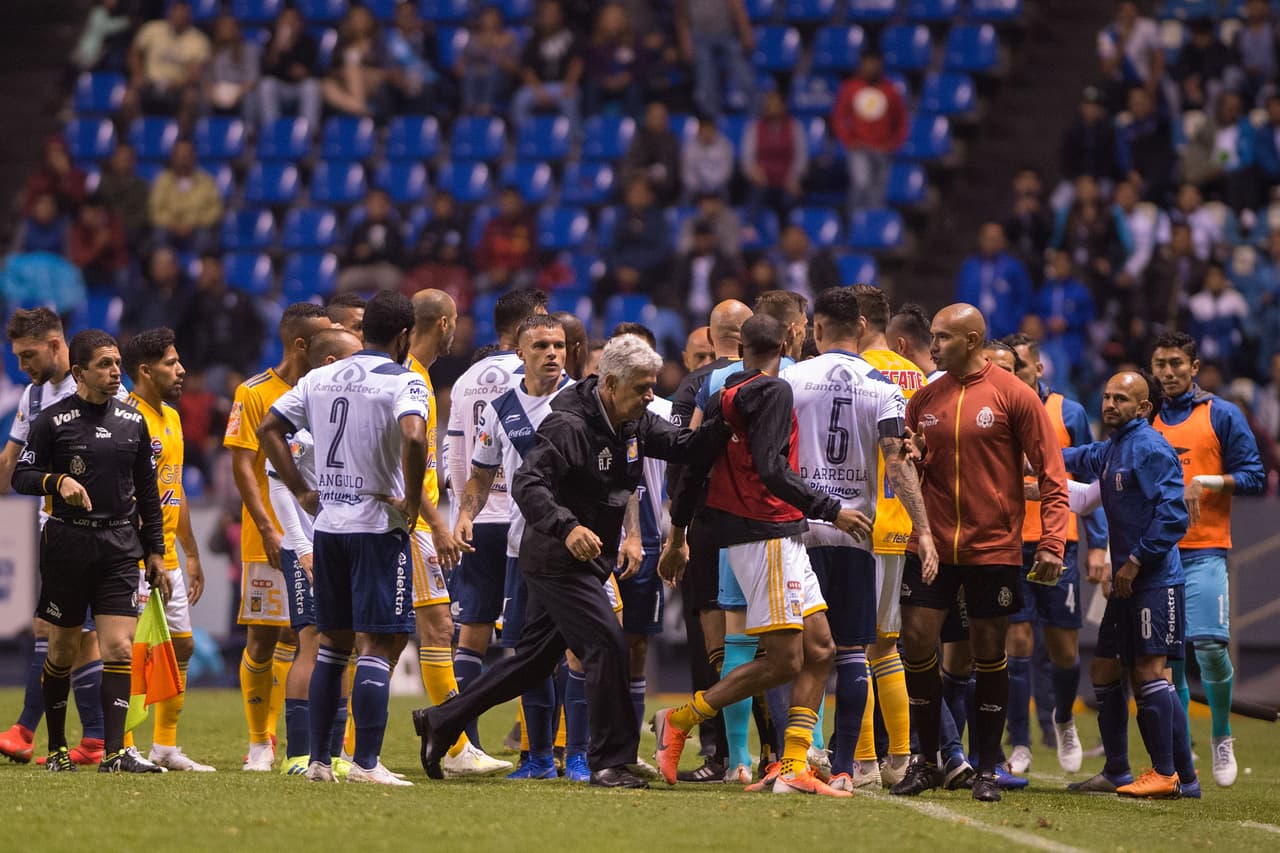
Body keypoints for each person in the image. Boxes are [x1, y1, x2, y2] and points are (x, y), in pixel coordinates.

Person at [416, 334, 728, 789]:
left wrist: (731, 411)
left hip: (588, 557)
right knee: (606, 645)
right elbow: (527, 483)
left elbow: (686, 446)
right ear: (610, 382)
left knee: (533, 662)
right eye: (642, 387)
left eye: (651, 387)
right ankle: (608, 761)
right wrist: (568, 526)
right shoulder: (568, 425)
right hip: (556, 556)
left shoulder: (632, 419)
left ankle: (441, 720)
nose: (649, 397)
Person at [654, 314, 874, 796]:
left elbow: (692, 468)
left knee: (821, 650)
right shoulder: (774, 392)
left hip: (772, 537)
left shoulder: (722, 394)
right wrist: (831, 510)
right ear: (790, 339)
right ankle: (679, 719)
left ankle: (793, 764)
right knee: (783, 662)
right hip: (768, 536)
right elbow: (773, 470)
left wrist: (677, 535)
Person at [261, 291, 445, 786]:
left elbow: (269, 428)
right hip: (376, 526)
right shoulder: (405, 380)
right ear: (405, 335)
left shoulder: (320, 376)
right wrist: (409, 500)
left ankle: (320, 761)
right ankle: (365, 763)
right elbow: (412, 436)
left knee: (331, 647)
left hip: (329, 528)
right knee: (380, 643)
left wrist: (302, 489)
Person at [891, 304, 1069, 802]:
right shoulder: (924, 399)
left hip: (993, 547)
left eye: (943, 338)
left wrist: (1052, 541)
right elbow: (914, 465)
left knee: (990, 653)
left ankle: (987, 768)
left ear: (971, 340)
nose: (933, 347)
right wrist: (913, 461)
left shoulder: (1014, 395)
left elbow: (1052, 474)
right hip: (932, 546)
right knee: (916, 642)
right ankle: (928, 761)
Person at [781, 287, 934, 792]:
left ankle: (793, 761)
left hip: (798, 531)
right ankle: (849, 769)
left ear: (818, 330)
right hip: (857, 534)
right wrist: (925, 530)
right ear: (863, 327)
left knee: (796, 653)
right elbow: (897, 461)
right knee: (852, 652)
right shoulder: (884, 386)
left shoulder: (790, 377)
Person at [12, 329, 169, 773]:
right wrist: (56, 481)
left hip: (120, 544)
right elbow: (22, 477)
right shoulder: (51, 422)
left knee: (119, 648)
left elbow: (148, 492)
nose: (115, 371)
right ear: (79, 372)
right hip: (68, 543)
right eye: (104, 364)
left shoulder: (133, 422)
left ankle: (115, 752)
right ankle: (59, 747)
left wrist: (154, 552)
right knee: (61, 651)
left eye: (117, 362)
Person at [1061, 371, 1195, 799]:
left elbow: (1174, 516)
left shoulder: (1150, 447)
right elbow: (1077, 458)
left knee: (1149, 673)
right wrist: (1033, 458)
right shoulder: (1114, 446)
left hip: (1153, 579)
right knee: (1104, 668)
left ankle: (1171, 775)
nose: (1109, 404)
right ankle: (1118, 770)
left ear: (1144, 409)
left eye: (1121, 398)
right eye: (1106, 396)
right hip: (1126, 582)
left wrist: (1135, 561)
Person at [453, 315, 576, 780]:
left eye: (559, 345)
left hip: (578, 547)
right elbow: (482, 474)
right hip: (523, 548)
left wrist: (625, 532)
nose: (552, 354)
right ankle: (540, 758)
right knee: (528, 655)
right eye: (542, 345)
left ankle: (581, 756)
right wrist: (466, 512)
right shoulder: (500, 409)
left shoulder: (585, 399)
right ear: (519, 353)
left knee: (585, 652)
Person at [1150, 332, 1264, 787]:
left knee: (1211, 649)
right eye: (1160, 364)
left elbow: (1256, 476)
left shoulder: (1222, 414)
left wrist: (1208, 482)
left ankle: (1221, 735)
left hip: (1206, 550)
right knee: (1170, 662)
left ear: (1194, 367)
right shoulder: (1146, 418)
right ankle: (1184, 752)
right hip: (1158, 555)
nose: (1169, 372)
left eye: (1177, 363)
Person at [223, 302, 333, 772]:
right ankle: (259, 742)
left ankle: (298, 741)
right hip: (266, 533)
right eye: (324, 338)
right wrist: (267, 526)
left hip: (318, 531)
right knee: (263, 637)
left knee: (302, 632)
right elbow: (243, 465)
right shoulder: (253, 393)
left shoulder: (328, 391)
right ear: (301, 344)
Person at [406, 290, 510, 777]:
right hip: (414, 521)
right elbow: (402, 464)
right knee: (436, 629)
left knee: (439, 628)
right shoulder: (408, 377)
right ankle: (453, 746)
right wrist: (438, 521)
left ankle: (453, 744)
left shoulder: (419, 375)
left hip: (415, 518)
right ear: (445, 323)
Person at [443, 289, 548, 753]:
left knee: (473, 631)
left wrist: (462, 512)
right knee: (536, 635)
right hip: (525, 519)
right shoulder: (535, 377)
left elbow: (454, 452)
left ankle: (467, 743)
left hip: (477, 516)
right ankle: (540, 743)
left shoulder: (466, 378)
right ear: (529, 326)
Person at [0, 310, 106, 767]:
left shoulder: (96, 386)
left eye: (29, 355)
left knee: (58, 631)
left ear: (56, 343)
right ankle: (96, 740)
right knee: (75, 637)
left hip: (93, 531)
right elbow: (11, 460)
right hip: (55, 531)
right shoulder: (35, 394)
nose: (23, 366)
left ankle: (25, 729)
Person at [1001, 332, 1109, 776]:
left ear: (1038, 369)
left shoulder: (1069, 411)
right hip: (1007, 542)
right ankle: (1021, 741)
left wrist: (1098, 542)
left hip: (1057, 540)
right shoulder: (995, 409)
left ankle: (1064, 720)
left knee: (1064, 649)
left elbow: (1091, 474)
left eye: (1020, 369)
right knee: (1018, 642)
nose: (1014, 378)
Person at [266, 327, 362, 777]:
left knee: (341, 645)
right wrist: (301, 546)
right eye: (354, 356)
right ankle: (299, 752)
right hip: (307, 547)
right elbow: (278, 483)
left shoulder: (345, 410)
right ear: (329, 363)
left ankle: (334, 753)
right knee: (311, 642)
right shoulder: (298, 416)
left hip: (342, 540)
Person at [849, 286, 934, 789]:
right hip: (903, 522)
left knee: (853, 650)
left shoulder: (856, 373)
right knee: (888, 648)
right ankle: (900, 757)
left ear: (858, 323)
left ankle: (863, 761)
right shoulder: (917, 376)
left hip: (859, 522)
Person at [117, 327, 211, 772]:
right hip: (132, 557)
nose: (181, 370)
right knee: (132, 651)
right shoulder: (123, 418)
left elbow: (175, 492)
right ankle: (124, 744)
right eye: (171, 363)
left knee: (183, 647)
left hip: (168, 558)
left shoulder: (172, 418)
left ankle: (166, 746)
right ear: (145, 370)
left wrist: (190, 553)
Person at [667, 298, 753, 781]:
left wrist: (678, 529)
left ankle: (716, 752)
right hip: (760, 526)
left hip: (704, 526)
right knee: (767, 640)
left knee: (710, 640)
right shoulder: (771, 376)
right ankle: (773, 749)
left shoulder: (694, 386)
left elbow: (681, 458)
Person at [607, 324, 671, 750]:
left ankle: (626, 748)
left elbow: (674, 481)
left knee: (636, 646)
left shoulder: (664, 412)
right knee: (590, 644)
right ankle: (568, 744)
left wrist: (674, 536)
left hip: (647, 537)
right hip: (599, 536)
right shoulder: (596, 408)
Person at [832, 51, 909, 216]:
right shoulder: (850, 88)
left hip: (883, 149)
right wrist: (849, 140)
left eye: (873, 64)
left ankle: (873, 228)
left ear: (880, 65)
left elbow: (901, 120)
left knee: (878, 192)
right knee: (861, 184)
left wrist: (893, 143)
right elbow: (839, 118)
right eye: (866, 64)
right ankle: (854, 224)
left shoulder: (890, 90)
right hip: (859, 148)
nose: (870, 68)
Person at [126, 0, 210, 126]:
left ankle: (180, 140)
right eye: (176, 11)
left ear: (189, 16)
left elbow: (195, 72)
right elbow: (134, 52)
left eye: (183, 13)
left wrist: (180, 83)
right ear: (170, 13)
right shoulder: (153, 28)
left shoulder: (198, 40)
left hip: (177, 87)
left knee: (190, 99)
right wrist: (138, 74)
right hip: (149, 83)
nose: (179, 16)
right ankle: (138, 132)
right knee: (128, 98)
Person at [675, 0, 756, 118]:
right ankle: (712, 122)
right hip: (700, 39)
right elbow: (681, 15)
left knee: (745, 76)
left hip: (728, 35)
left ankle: (756, 118)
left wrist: (746, 32)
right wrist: (685, 42)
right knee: (706, 82)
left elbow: (737, 6)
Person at [954, 222, 1034, 340]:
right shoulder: (969, 267)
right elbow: (961, 297)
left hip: (1006, 332)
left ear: (1003, 241)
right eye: (987, 239)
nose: (991, 243)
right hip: (974, 332)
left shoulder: (1013, 267)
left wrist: (1014, 321)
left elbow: (1024, 299)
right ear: (980, 240)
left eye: (995, 239)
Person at [148, 140, 224, 255]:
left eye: (187, 156)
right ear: (173, 158)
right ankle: (165, 269)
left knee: (205, 237)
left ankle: (197, 268)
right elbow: (155, 209)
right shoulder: (162, 181)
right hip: (169, 228)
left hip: (197, 228)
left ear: (194, 157)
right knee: (158, 235)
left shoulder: (206, 181)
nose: (183, 160)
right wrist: (173, 224)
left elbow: (215, 209)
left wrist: (194, 223)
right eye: (179, 156)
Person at [742, 90, 807, 221]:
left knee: (791, 199)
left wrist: (794, 178)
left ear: (783, 106)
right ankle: (750, 229)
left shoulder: (795, 127)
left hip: (787, 179)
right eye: (769, 104)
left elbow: (801, 156)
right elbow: (747, 156)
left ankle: (788, 232)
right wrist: (753, 172)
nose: (773, 107)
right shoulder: (754, 127)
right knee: (755, 193)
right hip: (762, 179)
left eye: (776, 104)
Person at [258, 5, 323, 131]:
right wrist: (277, 47)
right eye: (285, 19)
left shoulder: (308, 42)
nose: (289, 23)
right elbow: (266, 70)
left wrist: (304, 72)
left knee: (312, 86)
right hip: (280, 88)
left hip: (300, 88)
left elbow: (316, 70)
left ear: (300, 23)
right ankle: (271, 130)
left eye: (293, 19)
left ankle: (309, 132)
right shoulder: (271, 42)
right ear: (278, 22)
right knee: (266, 85)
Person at [337, 189, 405, 294]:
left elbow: (399, 255)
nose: (376, 207)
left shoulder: (394, 229)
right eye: (372, 203)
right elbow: (349, 253)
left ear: (387, 206)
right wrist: (357, 253)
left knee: (390, 280)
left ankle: (385, 310)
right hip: (362, 268)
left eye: (380, 203)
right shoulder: (359, 228)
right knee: (344, 280)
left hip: (385, 268)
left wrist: (374, 252)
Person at [623, 101, 681, 206]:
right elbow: (629, 166)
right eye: (655, 116)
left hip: (664, 193)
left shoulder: (671, 140)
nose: (659, 120)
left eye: (662, 117)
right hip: (638, 184)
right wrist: (641, 176)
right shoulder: (639, 138)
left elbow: (671, 174)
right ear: (647, 118)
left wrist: (652, 178)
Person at [681, 116, 734, 201]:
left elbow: (726, 172)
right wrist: (696, 186)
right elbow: (687, 172)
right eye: (704, 130)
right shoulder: (690, 147)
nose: (706, 134)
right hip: (695, 187)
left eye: (709, 130)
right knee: (686, 196)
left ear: (714, 130)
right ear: (699, 131)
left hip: (718, 185)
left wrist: (712, 185)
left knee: (724, 193)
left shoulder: (725, 146)